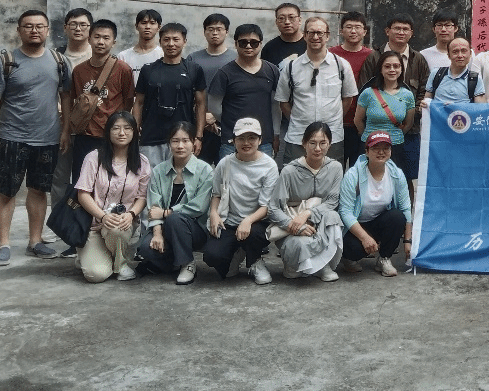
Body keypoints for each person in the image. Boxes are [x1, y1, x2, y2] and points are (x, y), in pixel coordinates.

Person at [0, 9, 70, 265]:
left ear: (48, 30)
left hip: (48, 138)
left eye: (40, 26)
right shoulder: (5, 62)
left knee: (39, 190)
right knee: (6, 191)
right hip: (12, 138)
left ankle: (35, 241)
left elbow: (66, 97)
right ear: (19, 30)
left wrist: (65, 131)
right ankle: (3, 244)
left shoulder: (59, 61)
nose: (34, 30)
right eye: (28, 26)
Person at [56, 19, 135, 240]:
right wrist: (66, 132)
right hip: (85, 137)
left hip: (112, 139)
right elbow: (72, 103)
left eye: (106, 38)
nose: (101, 42)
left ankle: (110, 230)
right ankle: (78, 236)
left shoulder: (123, 69)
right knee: (82, 188)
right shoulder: (79, 70)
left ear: (114, 42)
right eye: (97, 37)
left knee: (111, 185)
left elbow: (128, 102)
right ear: (89, 38)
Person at [73, 112, 150, 283]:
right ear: (108, 132)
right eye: (116, 128)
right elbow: (82, 194)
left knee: (116, 228)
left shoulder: (142, 162)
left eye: (127, 128)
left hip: (122, 224)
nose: (122, 133)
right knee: (96, 275)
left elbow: (142, 197)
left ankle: (120, 263)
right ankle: (92, 254)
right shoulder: (94, 158)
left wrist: (131, 214)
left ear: (135, 132)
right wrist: (102, 216)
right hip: (94, 223)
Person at [203, 117, 279, 284]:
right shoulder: (225, 163)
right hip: (230, 221)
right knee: (212, 256)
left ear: (260, 140)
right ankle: (238, 251)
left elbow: (266, 206)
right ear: (234, 140)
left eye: (252, 138)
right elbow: (216, 194)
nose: (246, 143)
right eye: (241, 138)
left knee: (254, 235)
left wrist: (248, 220)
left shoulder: (269, 166)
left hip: (258, 221)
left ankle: (255, 261)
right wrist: (214, 213)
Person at [137, 121, 215, 284]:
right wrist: (157, 234)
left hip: (195, 229)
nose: (180, 146)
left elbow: (199, 207)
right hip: (166, 227)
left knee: (175, 218)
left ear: (194, 143)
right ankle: (173, 263)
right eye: (175, 141)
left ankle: (187, 263)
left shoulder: (205, 170)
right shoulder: (159, 171)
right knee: (145, 248)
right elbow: (154, 207)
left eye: (185, 141)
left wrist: (166, 213)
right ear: (169, 143)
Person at [274, 16, 357, 165]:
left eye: (320, 33)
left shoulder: (341, 65)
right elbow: (283, 101)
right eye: (311, 32)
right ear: (305, 35)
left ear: (327, 36)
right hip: (298, 137)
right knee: (294, 177)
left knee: (330, 177)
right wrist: (298, 118)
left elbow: (348, 99)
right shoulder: (291, 67)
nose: (315, 37)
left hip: (332, 138)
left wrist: (334, 117)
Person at [267, 121, 345, 281]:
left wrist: (308, 214)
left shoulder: (335, 168)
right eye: (312, 143)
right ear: (304, 144)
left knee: (333, 217)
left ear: (330, 144)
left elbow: (332, 201)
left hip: (319, 222)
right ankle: (294, 264)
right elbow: (273, 208)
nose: (318, 148)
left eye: (323, 143)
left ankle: (323, 265)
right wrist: (294, 225)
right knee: (298, 252)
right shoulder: (289, 171)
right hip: (292, 223)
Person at [360, 14, 430, 173]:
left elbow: (424, 90)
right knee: (372, 174)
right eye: (397, 28)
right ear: (387, 31)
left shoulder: (418, 59)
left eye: (405, 29)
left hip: (409, 131)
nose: (401, 32)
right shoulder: (374, 57)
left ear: (411, 33)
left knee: (404, 176)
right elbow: (364, 89)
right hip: (375, 131)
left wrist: (408, 117)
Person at [133, 23, 206, 170]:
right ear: (160, 42)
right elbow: (139, 103)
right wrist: (135, 134)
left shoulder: (194, 70)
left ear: (184, 42)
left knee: (181, 179)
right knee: (150, 178)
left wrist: (198, 137)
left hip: (183, 139)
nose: (171, 44)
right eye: (166, 39)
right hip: (151, 138)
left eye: (176, 39)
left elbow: (201, 104)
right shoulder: (148, 70)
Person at [339, 131, 413, 276]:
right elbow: (345, 212)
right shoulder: (353, 175)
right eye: (375, 148)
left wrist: (407, 241)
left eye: (385, 148)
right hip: (356, 225)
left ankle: (384, 258)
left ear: (391, 151)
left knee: (397, 217)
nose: (381, 152)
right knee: (352, 248)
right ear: (366, 151)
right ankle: (348, 259)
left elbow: (405, 208)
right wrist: (365, 238)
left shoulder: (397, 174)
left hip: (379, 222)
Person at [207, 24, 280, 158]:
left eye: (254, 43)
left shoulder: (272, 71)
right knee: (229, 172)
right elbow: (214, 106)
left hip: (263, 140)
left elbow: (275, 105)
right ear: (236, 44)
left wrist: (276, 134)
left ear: (260, 44)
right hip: (232, 141)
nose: (248, 46)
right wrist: (231, 121)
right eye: (243, 42)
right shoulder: (224, 73)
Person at [355, 50, 417, 176]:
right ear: (381, 69)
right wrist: (369, 134)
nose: (392, 70)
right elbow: (358, 120)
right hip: (370, 145)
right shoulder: (368, 93)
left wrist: (395, 135)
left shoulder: (408, 95)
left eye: (396, 66)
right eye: (387, 66)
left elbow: (408, 124)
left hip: (395, 147)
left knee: (394, 182)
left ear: (401, 69)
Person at [186, 13, 236, 166]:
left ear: (227, 32)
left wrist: (215, 115)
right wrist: (202, 115)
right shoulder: (193, 58)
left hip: (227, 125)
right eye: (211, 29)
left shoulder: (236, 58)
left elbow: (237, 93)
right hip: (199, 126)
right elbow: (188, 91)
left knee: (227, 170)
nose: (215, 33)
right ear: (204, 32)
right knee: (198, 169)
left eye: (219, 29)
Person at [330, 11, 373, 168]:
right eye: (348, 27)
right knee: (334, 168)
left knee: (359, 170)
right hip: (336, 122)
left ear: (365, 31)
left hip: (361, 124)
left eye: (357, 27)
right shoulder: (331, 54)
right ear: (341, 31)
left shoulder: (372, 56)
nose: (353, 31)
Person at [423, 36, 487, 107]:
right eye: (455, 52)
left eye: (464, 51)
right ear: (448, 55)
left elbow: (480, 109)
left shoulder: (475, 79)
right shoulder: (436, 74)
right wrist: (424, 106)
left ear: (470, 54)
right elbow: (427, 100)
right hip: (438, 114)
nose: (460, 55)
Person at [117, 8, 163, 84]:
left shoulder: (163, 55)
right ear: (136, 26)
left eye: (152, 23)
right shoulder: (123, 57)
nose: (147, 26)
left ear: (159, 27)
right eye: (144, 23)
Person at [420, 9, 468, 74]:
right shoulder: (424, 55)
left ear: (455, 28)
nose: (443, 29)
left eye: (448, 25)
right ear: (434, 29)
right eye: (439, 25)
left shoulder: (466, 53)